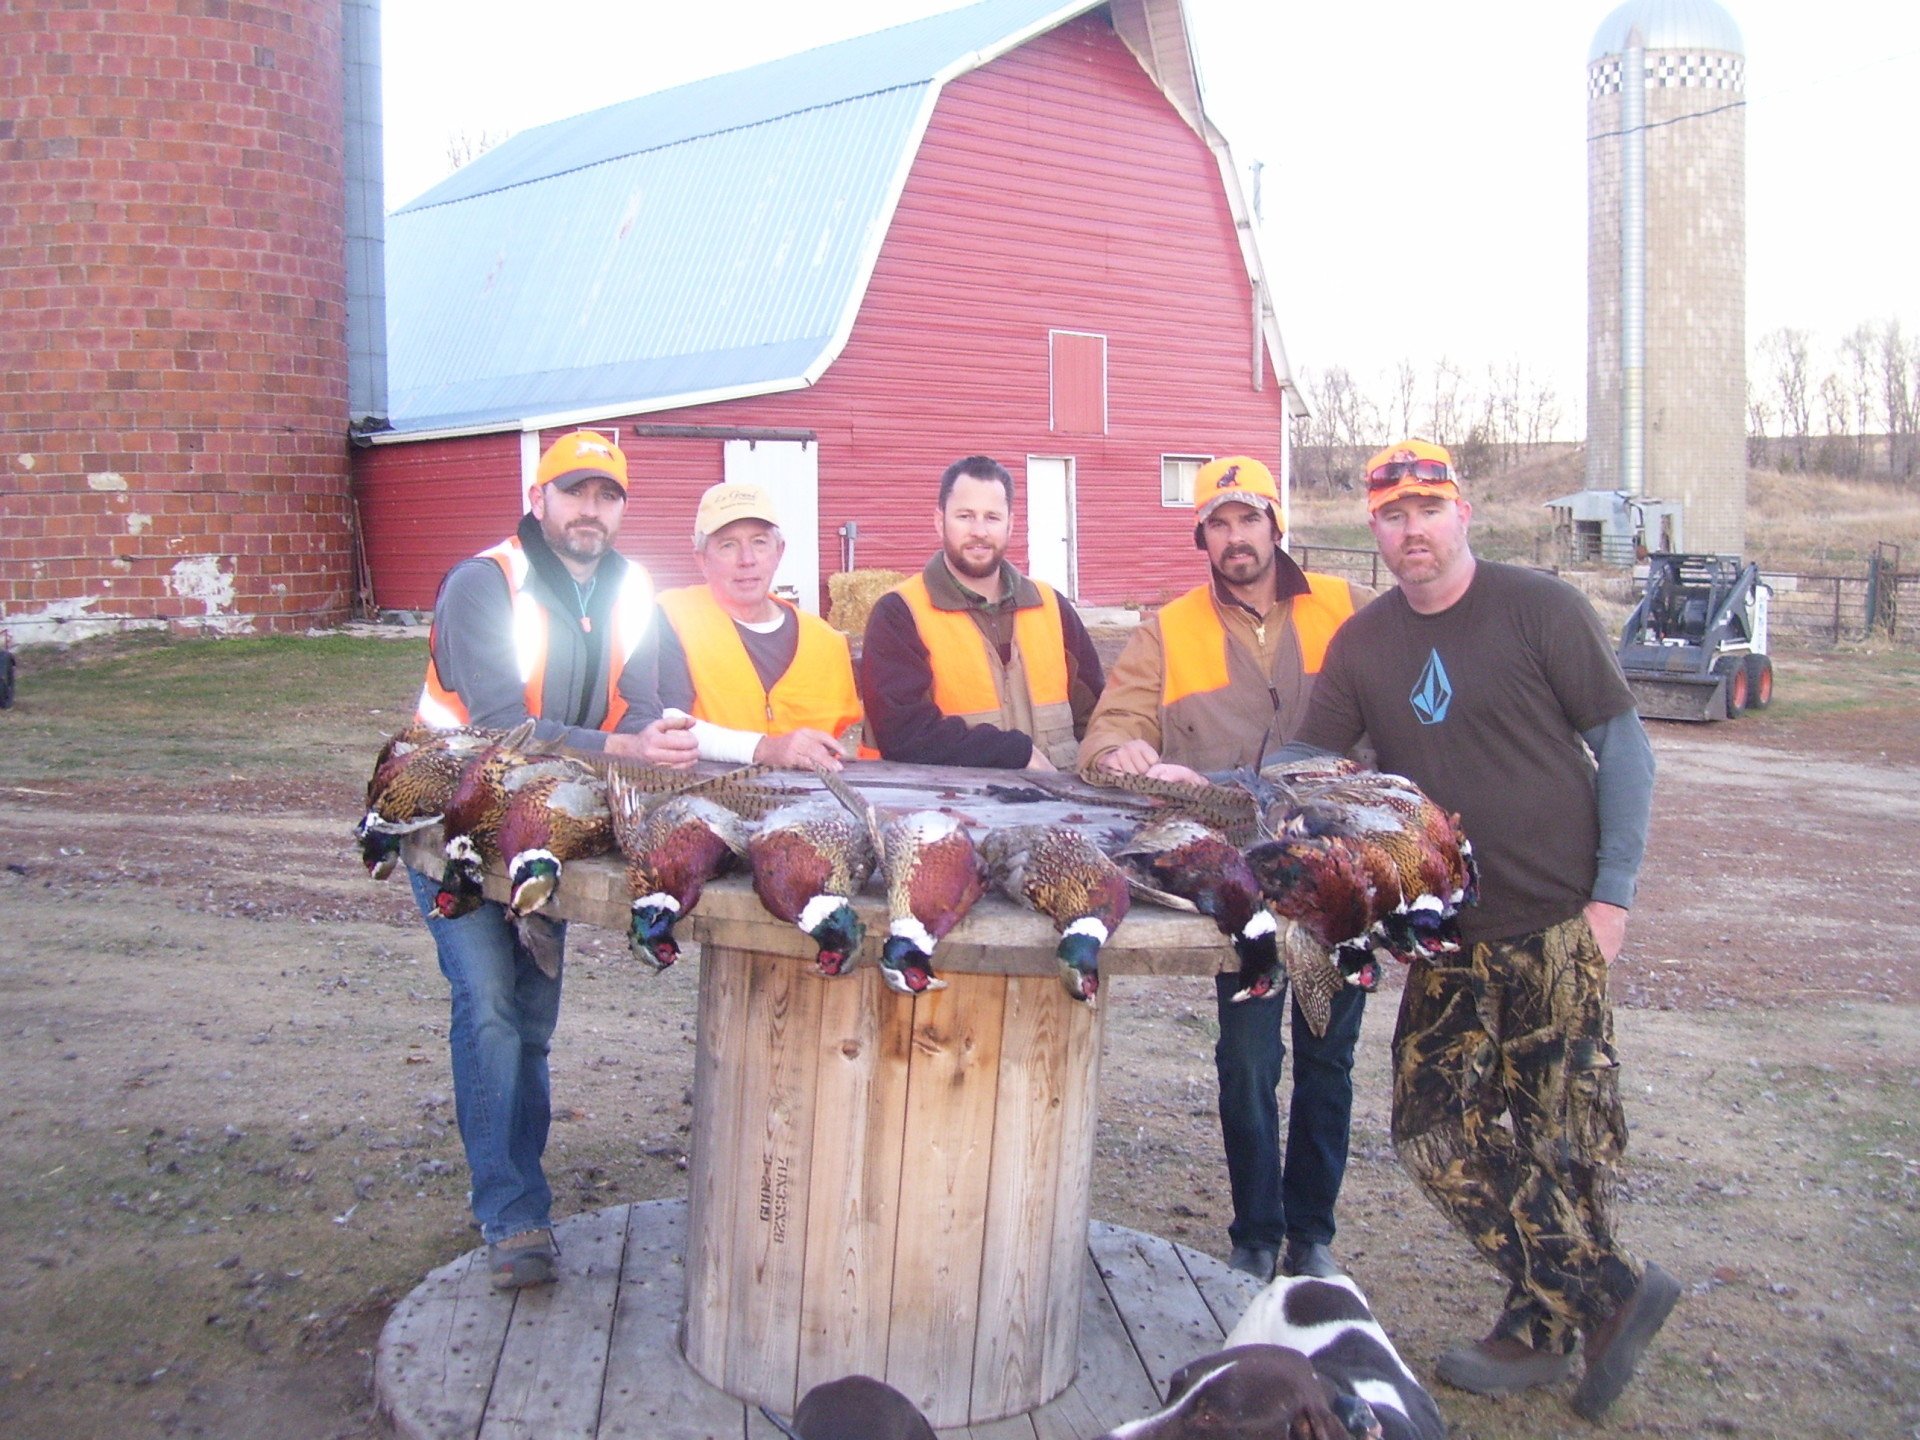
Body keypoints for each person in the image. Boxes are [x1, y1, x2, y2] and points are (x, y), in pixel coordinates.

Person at [1274, 439, 1669, 1422]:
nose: (1413, 530)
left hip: (1556, 926)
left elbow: (1623, 746)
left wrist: (1611, 897)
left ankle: (1540, 1333)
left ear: (1465, 512)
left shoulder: (1540, 609)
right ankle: (1609, 1292)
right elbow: (1310, 758)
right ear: (1375, 531)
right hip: (1448, 934)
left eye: (1428, 509)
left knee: (1562, 1141)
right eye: (1392, 516)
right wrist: (1261, 789)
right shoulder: (1364, 647)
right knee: (1434, 1129)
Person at [411, 429, 698, 1290]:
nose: (591, 511)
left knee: (532, 1024)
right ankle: (512, 1214)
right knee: (491, 1006)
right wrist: (628, 749)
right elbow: (498, 725)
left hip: (550, 829)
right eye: (574, 493)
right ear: (539, 500)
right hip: (452, 824)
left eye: (607, 496)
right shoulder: (482, 583)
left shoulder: (632, 590)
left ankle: (516, 1191)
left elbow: (646, 705)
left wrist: (653, 744)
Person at [1079, 454, 1371, 1284]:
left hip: (1333, 873)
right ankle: (1255, 1230)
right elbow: (1106, 738)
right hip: (1236, 879)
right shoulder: (1166, 630)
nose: (1236, 538)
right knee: (1247, 1058)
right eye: (1219, 523)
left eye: (1249, 519)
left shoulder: (1350, 609)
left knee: (1327, 1053)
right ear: (1200, 536)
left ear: (1278, 525)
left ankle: (1312, 1233)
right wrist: (1133, 754)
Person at [860, 455, 1103, 769]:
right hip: (949, 810)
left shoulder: (1052, 607)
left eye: (992, 517)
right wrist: (1013, 753)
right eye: (965, 516)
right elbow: (902, 732)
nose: (979, 531)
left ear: (1010, 524)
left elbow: (1097, 717)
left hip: (1060, 809)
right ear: (939, 521)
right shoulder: (900, 614)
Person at [655, 480, 861, 771]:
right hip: (702, 803)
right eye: (728, 545)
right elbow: (668, 726)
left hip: (811, 808)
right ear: (702, 559)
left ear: (779, 552)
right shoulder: (671, 616)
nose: (747, 560)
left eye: (759, 542)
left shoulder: (827, 643)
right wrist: (764, 748)